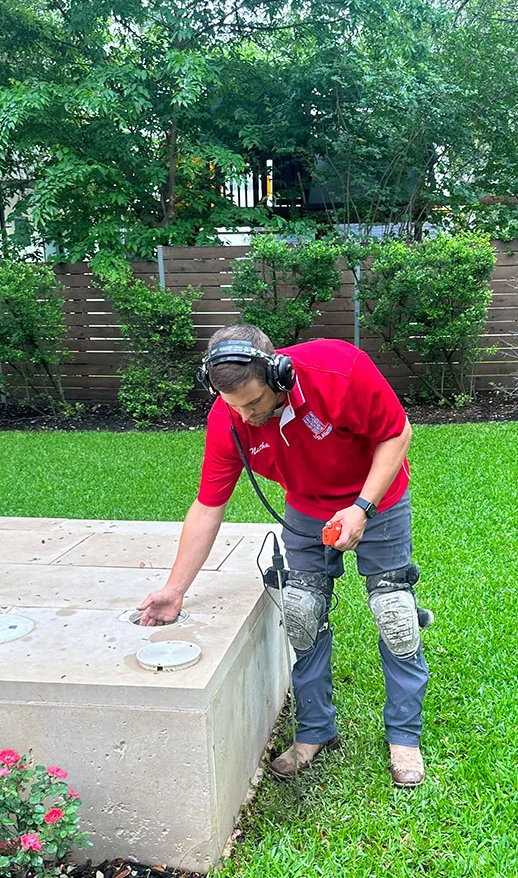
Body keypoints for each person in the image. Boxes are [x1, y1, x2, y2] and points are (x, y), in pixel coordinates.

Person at [136, 324, 430, 787]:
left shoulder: (340, 369)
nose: (246, 415)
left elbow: (397, 434)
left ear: (280, 376)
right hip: (305, 507)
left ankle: (404, 738)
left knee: (394, 612)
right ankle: (315, 731)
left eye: (253, 403)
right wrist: (174, 591)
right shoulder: (228, 419)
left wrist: (361, 509)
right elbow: (208, 505)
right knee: (301, 612)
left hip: (378, 500)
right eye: (233, 404)